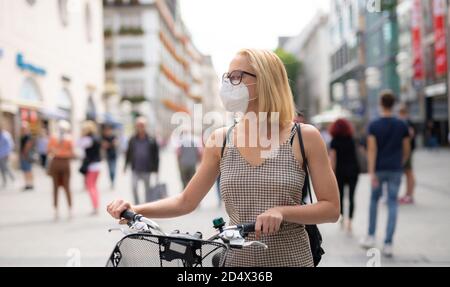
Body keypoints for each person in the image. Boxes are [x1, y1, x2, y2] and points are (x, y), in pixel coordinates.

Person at [108, 49, 340, 267]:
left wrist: (283, 212)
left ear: (265, 80)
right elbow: (185, 201)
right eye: (226, 77)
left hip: (291, 259)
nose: (228, 84)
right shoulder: (220, 140)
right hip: (235, 263)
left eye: (237, 77)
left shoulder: (303, 137)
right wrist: (135, 209)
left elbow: (330, 208)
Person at [360, 90, 411, 257]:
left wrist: (372, 171)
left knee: (374, 201)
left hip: (379, 169)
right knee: (392, 203)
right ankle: (388, 243)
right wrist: (401, 163)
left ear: (381, 104)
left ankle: (371, 236)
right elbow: (406, 148)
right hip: (395, 168)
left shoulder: (374, 125)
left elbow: (372, 150)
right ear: (394, 104)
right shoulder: (402, 124)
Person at [329, 119, 360, 233]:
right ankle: (350, 222)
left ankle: (342, 218)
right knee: (352, 197)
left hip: (340, 172)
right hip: (353, 171)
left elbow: (333, 160)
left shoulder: (334, 142)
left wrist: (332, 174)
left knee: (340, 196)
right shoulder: (352, 140)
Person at [124, 117, 160, 204]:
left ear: (145, 126)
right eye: (138, 125)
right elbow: (128, 153)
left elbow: (156, 155)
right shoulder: (132, 139)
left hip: (147, 169)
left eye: (142, 125)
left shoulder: (151, 139)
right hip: (135, 168)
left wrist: (156, 169)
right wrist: (125, 166)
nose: (140, 127)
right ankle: (137, 205)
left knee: (147, 188)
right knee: (134, 187)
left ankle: (147, 205)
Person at [48, 120, 74, 220]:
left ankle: (56, 210)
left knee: (55, 187)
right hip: (65, 163)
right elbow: (71, 153)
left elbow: (49, 150)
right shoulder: (69, 139)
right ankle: (69, 209)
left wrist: (57, 151)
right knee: (67, 187)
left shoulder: (53, 138)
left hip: (56, 162)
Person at [79, 121, 102, 215]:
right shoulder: (96, 138)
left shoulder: (87, 139)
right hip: (98, 165)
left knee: (90, 186)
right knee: (94, 187)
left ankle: (95, 207)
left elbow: (77, 144)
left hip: (91, 165)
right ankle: (96, 206)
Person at [398, 105, 416, 205]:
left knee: (409, 173)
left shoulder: (406, 123)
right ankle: (408, 194)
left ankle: (409, 195)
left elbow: (410, 136)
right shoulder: (407, 123)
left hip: (407, 151)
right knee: (408, 173)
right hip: (407, 151)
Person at [102, 125, 118, 190]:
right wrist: (110, 144)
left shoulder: (113, 136)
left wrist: (109, 144)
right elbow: (104, 146)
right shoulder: (104, 137)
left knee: (113, 170)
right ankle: (111, 181)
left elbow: (116, 144)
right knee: (110, 170)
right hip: (108, 156)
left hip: (114, 155)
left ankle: (113, 182)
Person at [19, 122, 35, 191]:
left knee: (28, 170)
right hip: (25, 154)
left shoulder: (28, 136)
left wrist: (24, 154)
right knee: (26, 170)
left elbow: (28, 145)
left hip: (26, 155)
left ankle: (30, 184)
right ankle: (28, 184)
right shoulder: (24, 136)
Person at [0, 124, 15, 188]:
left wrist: (8, 153)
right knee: (2, 169)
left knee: (6, 167)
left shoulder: (6, 135)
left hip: (4, 154)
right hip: (0, 154)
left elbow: (10, 144)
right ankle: (5, 181)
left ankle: (13, 178)